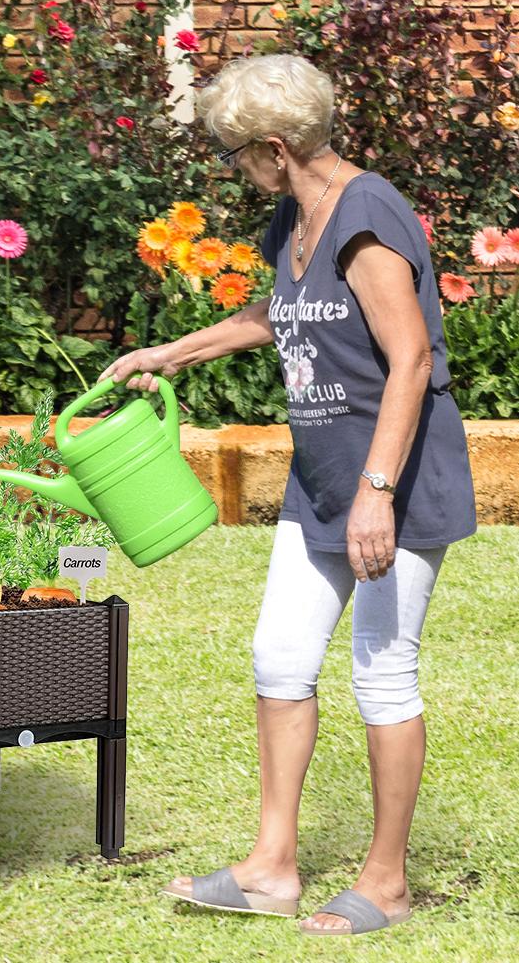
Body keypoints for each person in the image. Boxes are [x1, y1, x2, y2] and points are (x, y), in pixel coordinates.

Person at [97, 53, 477, 937]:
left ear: (275, 146)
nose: (235, 170)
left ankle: (385, 881)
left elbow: (411, 356)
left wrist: (376, 493)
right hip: (319, 482)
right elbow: (271, 313)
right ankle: (271, 867)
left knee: (382, 673)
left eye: (238, 154)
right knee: (279, 657)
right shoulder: (292, 217)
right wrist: (168, 354)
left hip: (395, 481)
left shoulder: (365, 215)